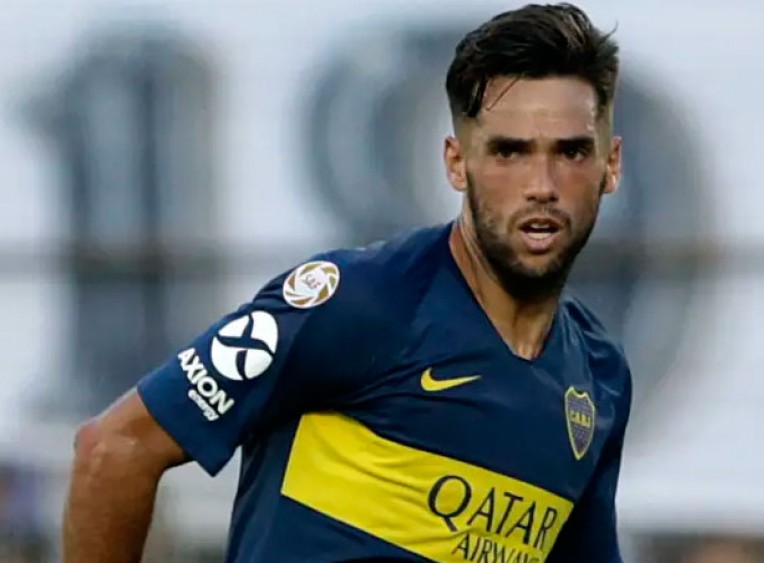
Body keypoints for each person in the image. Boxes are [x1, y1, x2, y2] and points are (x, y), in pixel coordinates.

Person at [62, 3, 632, 561]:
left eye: (571, 152)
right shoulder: (357, 303)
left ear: (610, 165)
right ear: (457, 163)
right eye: (509, 152)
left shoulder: (598, 377)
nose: (541, 185)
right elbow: (114, 449)